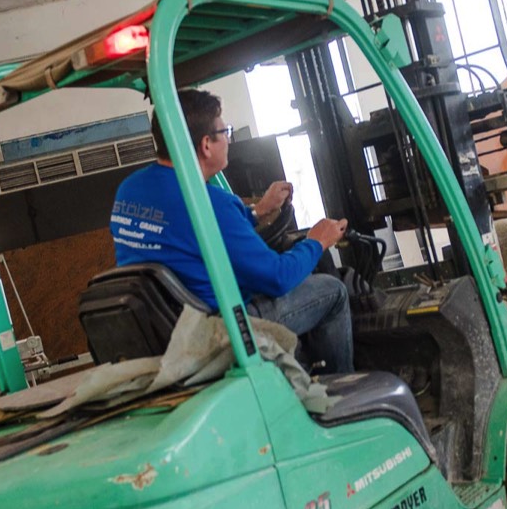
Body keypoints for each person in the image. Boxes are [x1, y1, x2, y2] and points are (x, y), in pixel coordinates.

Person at [110, 89, 354, 373]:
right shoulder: (212, 203)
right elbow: (277, 278)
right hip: (222, 326)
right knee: (333, 290)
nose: (227, 138)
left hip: (165, 324)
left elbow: (191, 232)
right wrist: (317, 241)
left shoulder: (130, 189)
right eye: (223, 131)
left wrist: (258, 210)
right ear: (206, 145)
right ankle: (342, 393)